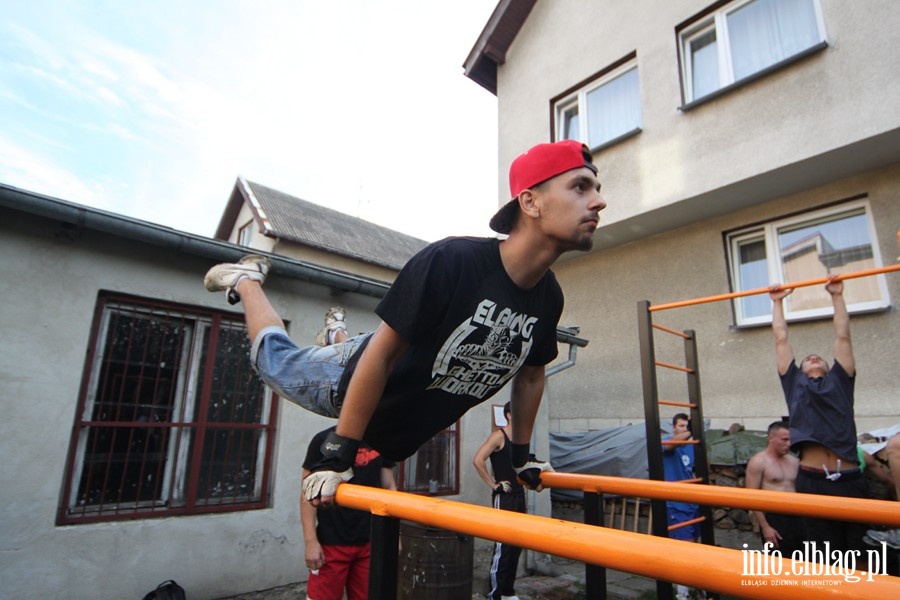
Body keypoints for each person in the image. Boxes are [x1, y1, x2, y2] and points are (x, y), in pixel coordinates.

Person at [203, 139, 606, 507]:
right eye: (580, 187)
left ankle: (334, 331)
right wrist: (340, 447)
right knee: (273, 361)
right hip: (345, 380)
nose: (599, 202)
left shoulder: (548, 296)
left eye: (597, 189)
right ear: (531, 202)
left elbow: (531, 377)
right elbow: (382, 355)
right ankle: (248, 279)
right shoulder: (453, 262)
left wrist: (520, 458)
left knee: (367, 344)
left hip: (386, 383)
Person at [769, 277, 870, 557]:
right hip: (812, 480)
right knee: (825, 554)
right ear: (799, 369)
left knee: (860, 554)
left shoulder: (841, 379)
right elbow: (780, 337)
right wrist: (777, 302)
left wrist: (836, 296)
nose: (814, 358)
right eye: (808, 358)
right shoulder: (794, 383)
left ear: (829, 366)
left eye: (818, 357)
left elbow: (843, 336)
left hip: (850, 479)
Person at [301, 425, 397, 600]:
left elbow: (389, 488)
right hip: (331, 544)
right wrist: (310, 541)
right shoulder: (324, 440)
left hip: (369, 543)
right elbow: (307, 491)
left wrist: (392, 537)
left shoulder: (383, 442)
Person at [473, 401, 526, 600]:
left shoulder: (521, 440)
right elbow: (478, 460)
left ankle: (508, 592)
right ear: (509, 415)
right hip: (504, 497)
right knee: (503, 547)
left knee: (516, 545)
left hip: (519, 496)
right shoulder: (498, 436)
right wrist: (494, 484)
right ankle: (494, 594)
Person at [744, 421, 802, 555]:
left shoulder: (794, 461)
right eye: (784, 440)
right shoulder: (758, 462)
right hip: (774, 517)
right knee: (777, 564)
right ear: (771, 438)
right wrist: (765, 527)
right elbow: (751, 497)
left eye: (790, 440)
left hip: (799, 516)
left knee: (802, 562)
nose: (788, 444)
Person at [662, 413, 702, 600]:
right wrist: (692, 431)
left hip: (692, 503)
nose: (684, 430)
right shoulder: (666, 442)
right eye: (681, 426)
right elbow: (671, 444)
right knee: (685, 548)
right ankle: (682, 593)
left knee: (695, 547)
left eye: (687, 426)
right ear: (673, 428)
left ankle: (695, 586)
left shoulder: (693, 447)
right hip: (676, 504)